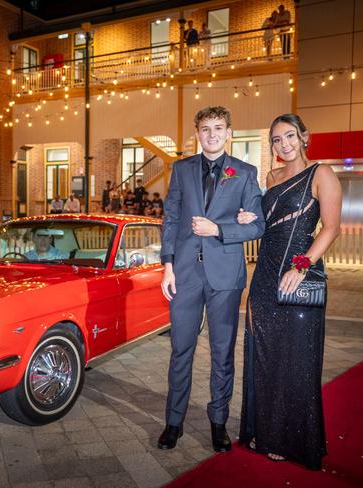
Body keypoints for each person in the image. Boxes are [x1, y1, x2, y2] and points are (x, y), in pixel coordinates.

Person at [236, 114, 341, 469]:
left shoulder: (321, 174)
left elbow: (331, 228)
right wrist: (248, 220)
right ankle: (264, 432)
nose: (284, 145)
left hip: (298, 273)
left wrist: (303, 265)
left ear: (304, 137)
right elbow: (267, 227)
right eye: (277, 140)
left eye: (290, 136)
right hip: (264, 275)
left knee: (296, 359)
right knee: (263, 353)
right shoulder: (271, 177)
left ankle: (290, 439)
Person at [158, 106, 265, 452]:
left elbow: (258, 224)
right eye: (206, 128)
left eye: (219, 128)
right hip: (185, 273)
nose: (212, 134)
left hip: (226, 277)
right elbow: (171, 219)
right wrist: (167, 264)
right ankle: (173, 422)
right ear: (197, 133)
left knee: (222, 353)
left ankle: (218, 423)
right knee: (180, 350)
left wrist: (219, 229)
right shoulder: (182, 169)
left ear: (229, 133)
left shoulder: (245, 173)